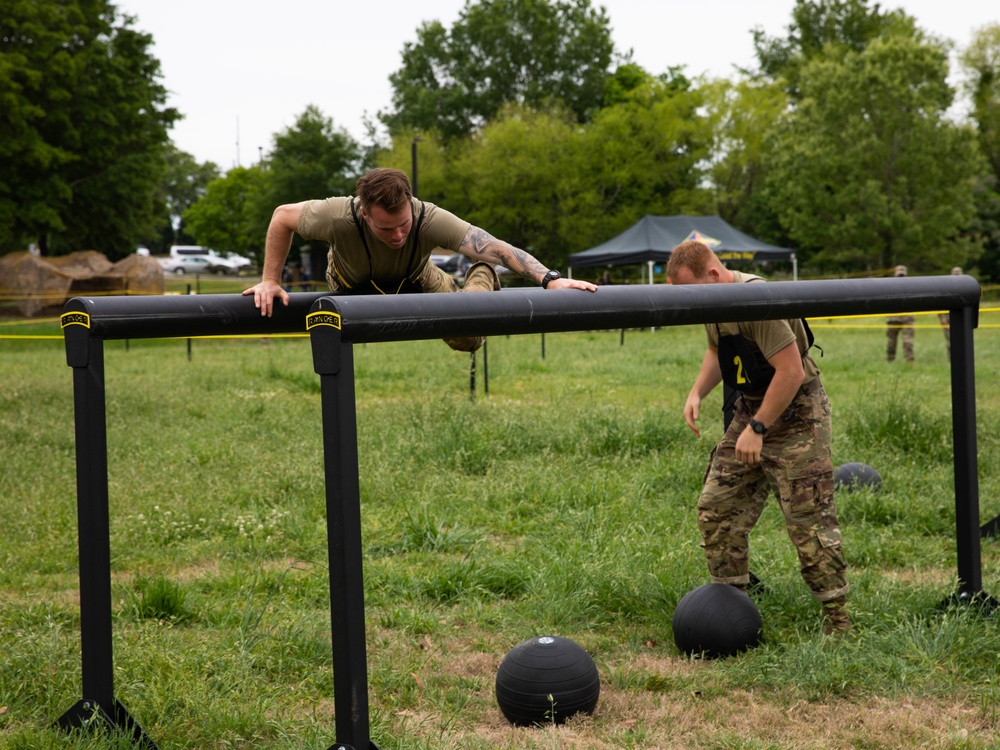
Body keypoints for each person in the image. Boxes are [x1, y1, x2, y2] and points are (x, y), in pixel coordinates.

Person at [666, 240, 850, 636]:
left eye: (694, 293)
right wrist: (697, 392)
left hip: (797, 413)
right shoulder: (713, 301)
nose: (692, 304)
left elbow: (791, 372)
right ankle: (730, 609)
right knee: (716, 508)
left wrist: (759, 429)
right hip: (751, 408)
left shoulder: (755, 299)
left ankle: (839, 623)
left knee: (808, 522)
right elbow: (717, 350)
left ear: (713, 275)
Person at [244, 168, 597, 350]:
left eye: (403, 225)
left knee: (468, 339)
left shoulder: (429, 218)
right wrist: (271, 280)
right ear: (365, 214)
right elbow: (281, 216)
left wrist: (552, 279)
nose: (397, 236)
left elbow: (493, 244)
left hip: (417, 279)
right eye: (386, 229)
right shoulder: (336, 215)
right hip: (352, 286)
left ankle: (481, 276)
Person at [886, 265, 915, 363]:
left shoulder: (912, 286)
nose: (901, 277)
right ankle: (890, 360)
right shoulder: (889, 285)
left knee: (908, 341)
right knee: (891, 342)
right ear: (895, 274)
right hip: (893, 318)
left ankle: (909, 361)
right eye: (899, 275)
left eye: (902, 275)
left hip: (907, 318)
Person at [939, 267, 962, 354]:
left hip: (962, 319)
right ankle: (952, 359)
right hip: (949, 320)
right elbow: (941, 307)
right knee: (951, 340)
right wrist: (943, 321)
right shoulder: (946, 288)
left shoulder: (966, 287)